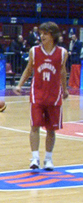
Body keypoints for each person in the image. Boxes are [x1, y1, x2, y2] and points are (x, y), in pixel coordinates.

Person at [14, 22, 69, 171]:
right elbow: (28, 69)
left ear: (53, 35)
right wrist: (19, 84)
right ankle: (35, 158)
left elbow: (62, 72)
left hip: (54, 96)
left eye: (45, 33)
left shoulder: (62, 53)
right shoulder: (34, 51)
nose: (42, 36)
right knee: (35, 126)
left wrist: (65, 89)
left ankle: (49, 159)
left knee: (51, 130)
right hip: (37, 94)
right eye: (41, 33)